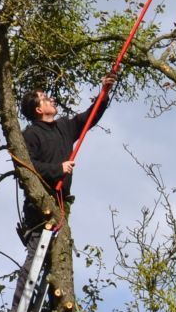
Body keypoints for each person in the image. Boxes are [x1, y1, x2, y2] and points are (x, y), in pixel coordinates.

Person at [18, 83, 112, 243]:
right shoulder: (31, 134)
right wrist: (58, 169)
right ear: (38, 110)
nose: (51, 100)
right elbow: (28, 167)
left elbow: (90, 117)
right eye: (45, 99)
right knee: (37, 251)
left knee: (60, 250)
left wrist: (105, 92)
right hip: (39, 205)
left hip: (61, 203)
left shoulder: (63, 126)